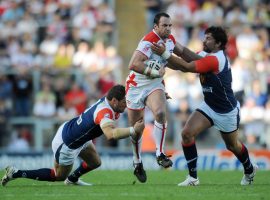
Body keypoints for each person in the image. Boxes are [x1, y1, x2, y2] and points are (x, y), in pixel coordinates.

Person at [151, 26, 258, 186]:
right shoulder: (206, 55)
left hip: (226, 112)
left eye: (208, 38)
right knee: (186, 133)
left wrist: (165, 54)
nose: (204, 40)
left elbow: (186, 67)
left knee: (232, 145)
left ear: (218, 43)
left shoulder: (217, 59)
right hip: (209, 106)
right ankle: (193, 178)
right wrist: (171, 42)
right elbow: (185, 54)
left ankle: (249, 169)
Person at [1, 84, 144, 186]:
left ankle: (72, 179)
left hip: (75, 133)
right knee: (58, 176)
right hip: (67, 143)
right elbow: (111, 134)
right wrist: (133, 130)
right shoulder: (104, 112)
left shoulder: (110, 100)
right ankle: (16, 173)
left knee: (95, 162)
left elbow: (133, 88)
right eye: (124, 102)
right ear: (114, 101)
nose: (127, 105)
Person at [126, 12, 184, 183]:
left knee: (160, 113)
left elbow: (174, 59)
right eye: (164, 25)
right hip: (136, 87)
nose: (168, 28)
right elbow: (134, 64)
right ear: (156, 27)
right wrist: (153, 72)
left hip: (154, 85)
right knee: (137, 130)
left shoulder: (171, 41)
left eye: (169, 25)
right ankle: (137, 162)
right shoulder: (149, 40)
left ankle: (160, 153)